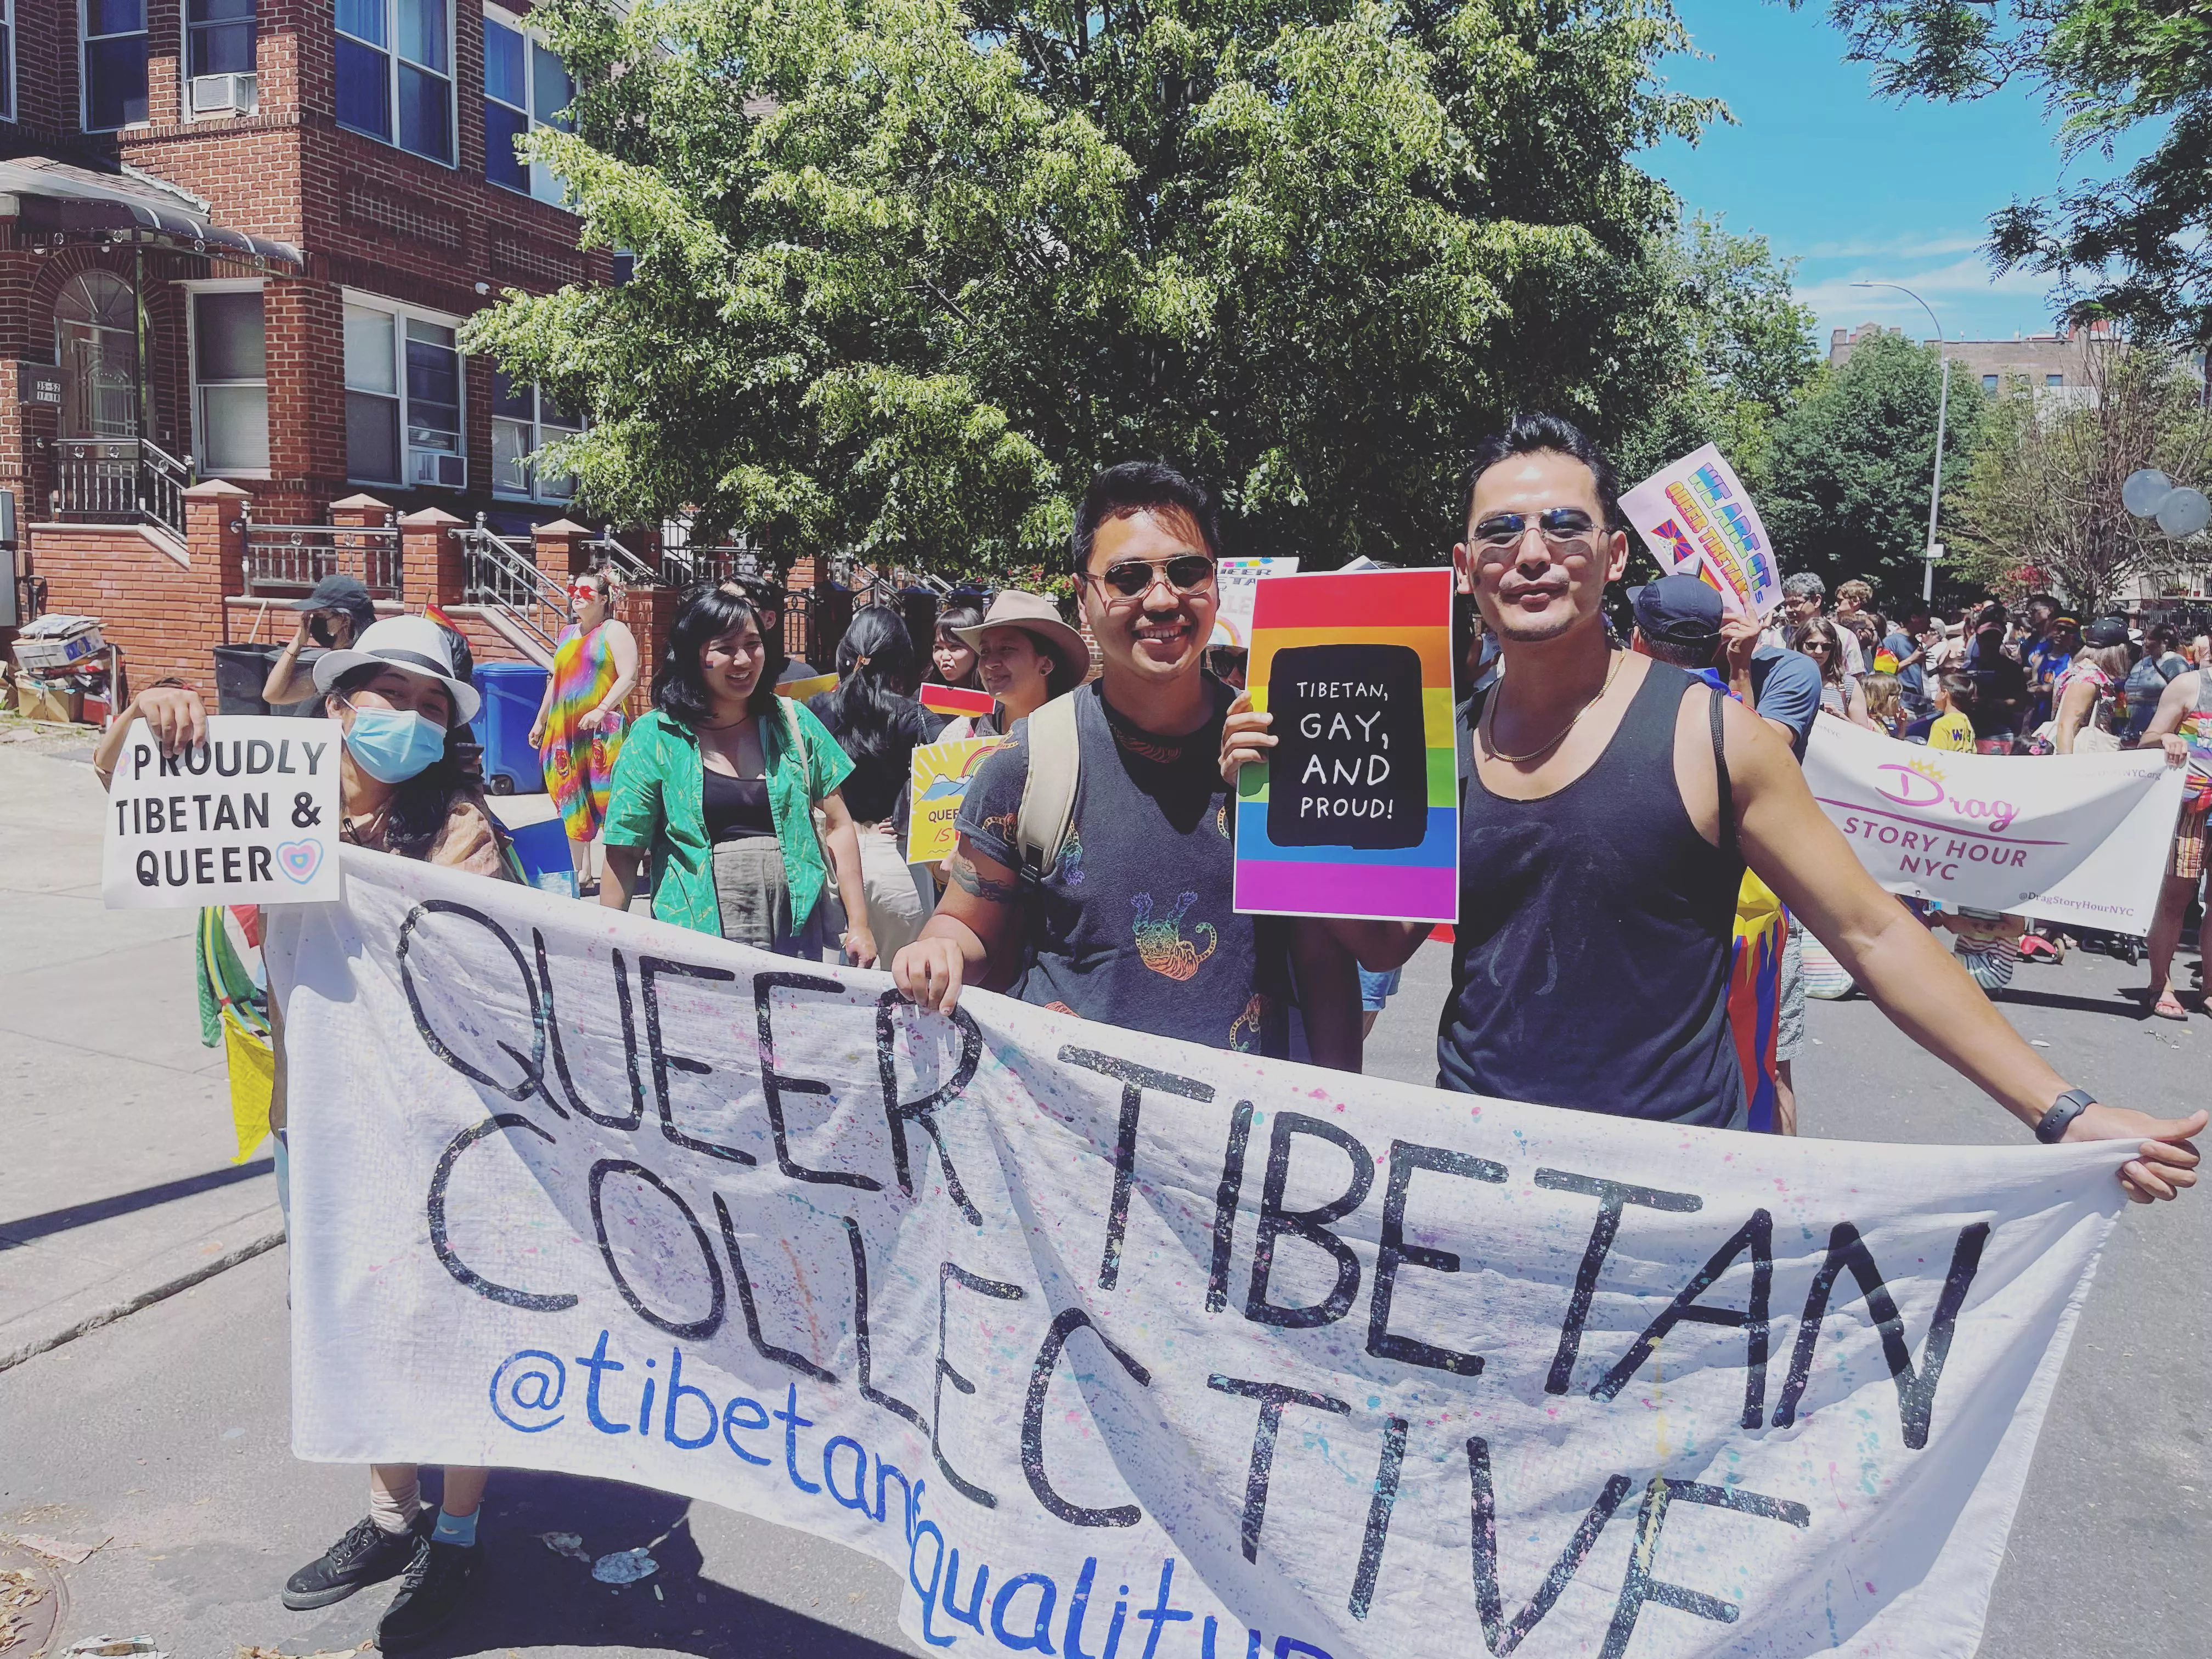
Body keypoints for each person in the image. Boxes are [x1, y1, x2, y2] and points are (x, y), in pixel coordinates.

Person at [1221, 411, 2201, 1202]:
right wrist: (1275, 810)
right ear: (1464, 563)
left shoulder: (1713, 735)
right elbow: (1381, 943)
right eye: (1500, 530)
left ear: (1610, 557)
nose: (1530, 552)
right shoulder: (1440, 743)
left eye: (1563, 525)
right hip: (1480, 1184)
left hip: (1669, 1200)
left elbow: (1873, 933)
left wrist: (2058, 1105)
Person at [95, 619, 517, 1649]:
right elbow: (124, 788)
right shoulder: (262, 782)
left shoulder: (461, 822)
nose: (409, 721)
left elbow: (488, 959)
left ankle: (456, 1530)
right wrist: (144, 712)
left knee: (451, 1322)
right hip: (313, 1112)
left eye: (430, 706)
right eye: (391, 697)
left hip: (435, 1121)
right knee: (357, 1314)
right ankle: (387, 1517)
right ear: (336, 705)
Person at [891, 461, 1359, 1066]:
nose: (1162, 600)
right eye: (1128, 578)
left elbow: (1325, 962)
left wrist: (1347, 1109)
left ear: (1216, 586)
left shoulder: (1281, 747)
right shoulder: (1025, 765)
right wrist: (937, 950)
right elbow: (969, 924)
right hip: (1072, 1134)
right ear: (1085, 602)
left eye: (1187, 572)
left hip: (1241, 1133)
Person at [600, 584, 876, 964]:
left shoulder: (795, 724)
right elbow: (625, 850)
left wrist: (859, 924)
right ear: (692, 656)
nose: (744, 660)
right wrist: (603, 942)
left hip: (794, 935)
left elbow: (838, 825)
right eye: (725, 648)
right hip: (694, 939)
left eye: (752, 644)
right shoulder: (654, 738)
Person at [805, 605, 940, 957]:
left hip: (832, 860)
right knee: (908, 987)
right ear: (901, 659)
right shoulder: (915, 717)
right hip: (895, 858)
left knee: (842, 984)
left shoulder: (815, 711)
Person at [528, 564, 640, 893]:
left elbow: (629, 676)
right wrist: (540, 720)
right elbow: (557, 682)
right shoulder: (566, 634)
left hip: (603, 733)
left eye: (586, 591)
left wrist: (601, 709)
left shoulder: (614, 631)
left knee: (607, 799)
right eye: (574, 590)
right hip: (566, 732)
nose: (577, 596)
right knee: (570, 798)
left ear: (605, 599)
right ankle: (580, 872)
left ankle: (619, 874)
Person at [2130, 664, 2212, 1020]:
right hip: (2190, 804)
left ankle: (2210, 987)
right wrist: (2166, 738)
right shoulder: (2189, 686)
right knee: (2176, 897)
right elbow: (2147, 737)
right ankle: (2159, 984)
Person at [934, 589, 1090, 741]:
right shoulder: (959, 737)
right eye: (985, 651)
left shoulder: (1078, 740)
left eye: (1006, 649)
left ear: (1046, 664)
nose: (991, 663)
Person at [259, 573, 379, 713]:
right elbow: (272, 695)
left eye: (321, 615)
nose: (313, 622)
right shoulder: (331, 665)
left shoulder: (358, 663)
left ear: (344, 619)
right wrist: (298, 642)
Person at [2050, 618, 2130, 754]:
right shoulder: (2088, 679)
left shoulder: (2081, 671)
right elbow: (2066, 726)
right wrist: (2065, 769)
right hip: (2081, 757)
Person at [1792, 615, 1877, 730]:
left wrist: (1840, 717)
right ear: (1800, 645)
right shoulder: (1785, 681)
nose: (1819, 651)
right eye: (1811, 645)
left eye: (1826, 646)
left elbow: (1864, 733)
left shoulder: (1849, 686)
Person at [1963, 602, 2029, 749]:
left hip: (2000, 734)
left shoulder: (2012, 669)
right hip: (1969, 733)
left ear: (2000, 640)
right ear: (1978, 639)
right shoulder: (1966, 668)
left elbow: (2020, 703)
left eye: (1995, 637)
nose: (1990, 642)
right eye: (1986, 637)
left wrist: (1989, 703)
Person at [2124, 623, 2187, 740]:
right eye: (2145, 638)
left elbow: (2184, 696)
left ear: (2166, 641)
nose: (2145, 642)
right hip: (2133, 732)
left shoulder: (2174, 663)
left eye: (2151, 638)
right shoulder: (2144, 662)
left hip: (2157, 735)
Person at [2026, 613, 2081, 729]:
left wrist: (2040, 689)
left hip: (2059, 720)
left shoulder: (2073, 663)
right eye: (2059, 629)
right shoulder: (2040, 660)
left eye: (2068, 631)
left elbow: (2050, 690)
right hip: (2038, 719)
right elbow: (2035, 687)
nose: (2063, 634)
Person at [929, 598, 986, 692]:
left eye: (955, 647)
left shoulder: (1000, 699)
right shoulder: (922, 697)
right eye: (938, 648)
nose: (945, 657)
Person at [1922, 674, 1979, 751]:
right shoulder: (1966, 722)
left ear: (1945, 693)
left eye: (1938, 691)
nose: (1936, 695)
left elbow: (1933, 758)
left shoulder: (1941, 725)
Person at [1861, 670, 1905, 737]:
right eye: (1897, 696)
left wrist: (1901, 728)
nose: (1899, 700)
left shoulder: (1879, 722)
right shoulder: (1870, 725)